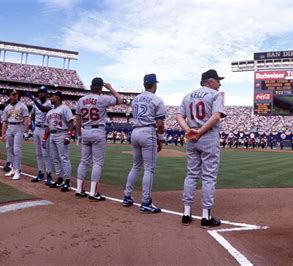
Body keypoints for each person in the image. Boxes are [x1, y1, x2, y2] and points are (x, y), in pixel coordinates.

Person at [175, 69, 227, 228]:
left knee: (191, 175)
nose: (220, 84)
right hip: (208, 136)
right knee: (209, 177)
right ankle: (206, 217)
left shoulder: (188, 95)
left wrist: (189, 131)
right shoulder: (215, 95)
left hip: (192, 138)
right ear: (210, 81)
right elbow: (217, 116)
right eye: (218, 81)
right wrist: (201, 131)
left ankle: (186, 214)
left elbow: (178, 116)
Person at [122, 73, 166, 213]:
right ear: (154, 85)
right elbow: (160, 124)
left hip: (135, 132)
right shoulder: (157, 99)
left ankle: (127, 196)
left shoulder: (135, 99)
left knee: (135, 166)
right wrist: (160, 139)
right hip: (148, 132)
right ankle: (146, 202)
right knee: (149, 169)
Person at [75, 78, 122, 200]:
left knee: (84, 161)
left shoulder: (81, 100)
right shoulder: (102, 99)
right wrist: (110, 88)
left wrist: (79, 134)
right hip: (98, 131)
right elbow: (120, 100)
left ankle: (79, 190)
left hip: (85, 130)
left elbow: (78, 119)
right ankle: (93, 193)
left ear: (91, 87)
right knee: (97, 163)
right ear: (101, 88)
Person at [42, 91, 74, 192]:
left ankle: (67, 181)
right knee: (55, 158)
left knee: (64, 158)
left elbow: (71, 122)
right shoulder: (50, 112)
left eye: (52, 96)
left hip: (62, 133)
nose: (50, 98)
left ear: (58, 97)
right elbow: (48, 126)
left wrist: (69, 135)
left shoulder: (65, 108)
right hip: (52, 134)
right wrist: (44, 138)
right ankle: (60, 179)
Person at [1, 90, 30, 180]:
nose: (13, 96)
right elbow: (4, 121)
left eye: (15, 95)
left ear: (17, 96)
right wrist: (2, 134)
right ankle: (13, 169)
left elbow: (26, 119)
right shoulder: (7, 107)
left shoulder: (22, 106)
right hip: (10, 127)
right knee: (10, 149)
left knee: (16, 150)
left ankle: (18, 170)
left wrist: (26, 132)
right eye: (12, 95)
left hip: (19, 127)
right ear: (10, 96)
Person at [28, 86, 54, 183]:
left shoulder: (49, 103)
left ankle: (49, 175)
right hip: (37, 129)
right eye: (39, 92)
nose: (40, 94)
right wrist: (34, 123)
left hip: (45, 129)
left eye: (42, 92)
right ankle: (40, 173)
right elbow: (33, 114)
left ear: (46, 94)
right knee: (38, 153)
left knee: (46, 153)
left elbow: (43, 109)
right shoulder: (35, 105)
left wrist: (33, 100)